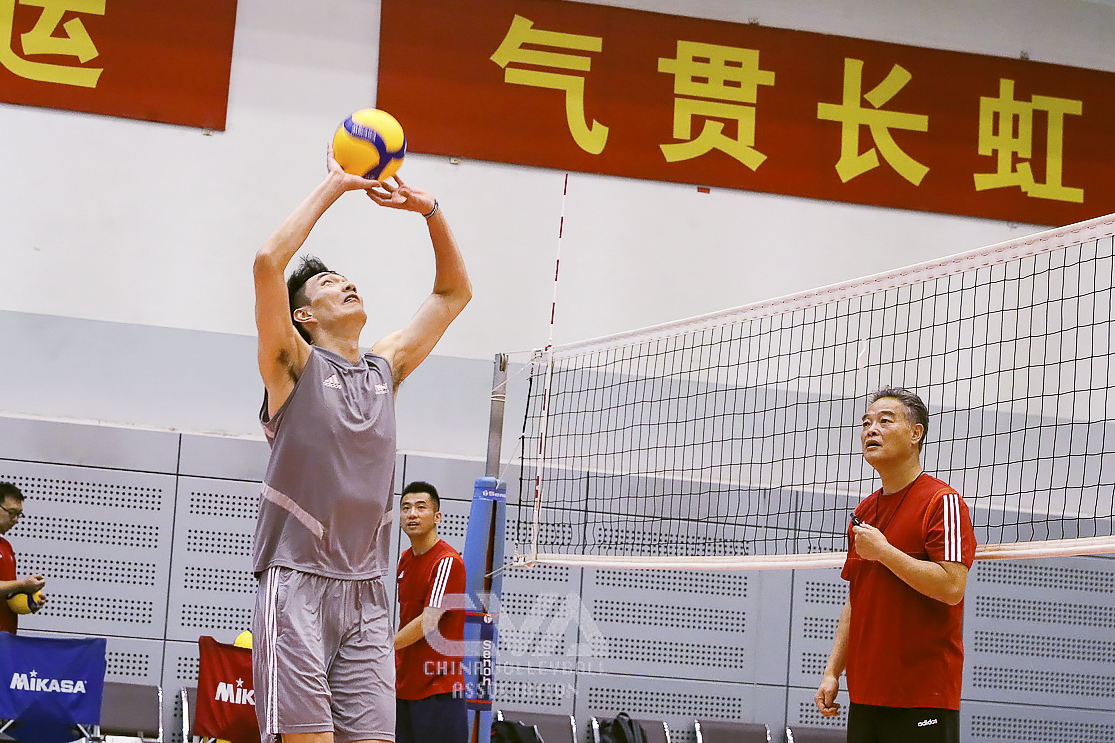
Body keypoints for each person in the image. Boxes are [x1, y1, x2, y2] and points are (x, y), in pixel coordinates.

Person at [251, 146, 471, 743]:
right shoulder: (291, 366)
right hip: (296, 582)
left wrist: (429, 210)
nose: (346, 283)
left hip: (369, 593)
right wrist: (336, 185)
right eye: (328, 283)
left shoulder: (385, 368)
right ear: (303, 316)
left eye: (347, 278)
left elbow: (453, 294)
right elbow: (268, 262)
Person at [815, 387, 976, 743]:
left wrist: (884, 552)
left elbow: (952, 587)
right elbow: (856, 599)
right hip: (866, 694)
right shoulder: (863, 512)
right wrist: (832, 672)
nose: (871, 430)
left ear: (916, 434)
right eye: (866, 423)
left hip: (922, 696)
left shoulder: (942, 502)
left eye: (885, 421)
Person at [394, 481, 467, 743]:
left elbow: (428, 622)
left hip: (438, 691)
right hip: (403, 688)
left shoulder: (447, 562)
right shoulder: (405, 559)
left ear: (437, 517)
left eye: (420, 507)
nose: (412, 514)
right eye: (406, 508)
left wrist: (383, 647)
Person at [0, 482, 47, 633]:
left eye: (19, 514)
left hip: (6, 637)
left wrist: (29, 600)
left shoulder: (6, 547)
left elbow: (8, 594)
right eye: (11, 512)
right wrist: (22, 584)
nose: (16, 520)